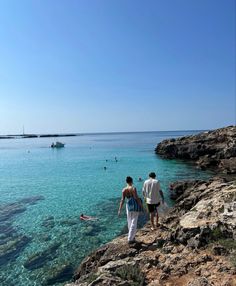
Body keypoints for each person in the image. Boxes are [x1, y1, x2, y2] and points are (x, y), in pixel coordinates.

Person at [118, 176, 143, 244]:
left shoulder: (124, 190)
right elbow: (136, 198)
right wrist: (141, 205)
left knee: (129, 221)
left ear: (126, 182)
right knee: (134, 221)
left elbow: (122, 200)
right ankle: (130, 238)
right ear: (131, 181)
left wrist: (119, 209)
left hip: (128, 205)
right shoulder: (133, 188)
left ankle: (132, 236)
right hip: (134, 205)